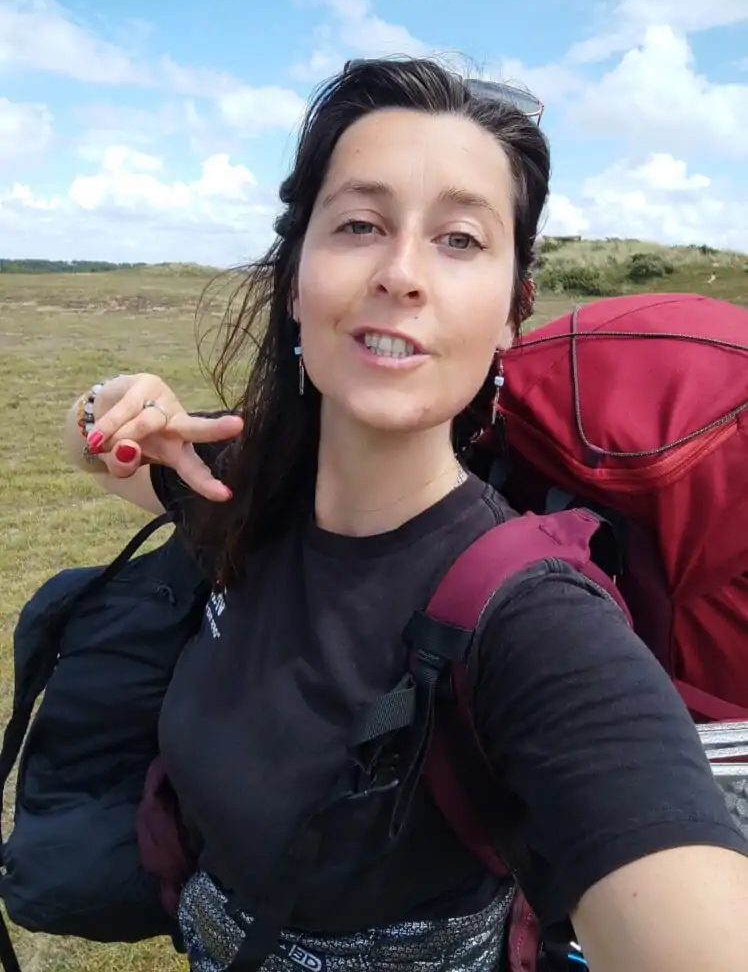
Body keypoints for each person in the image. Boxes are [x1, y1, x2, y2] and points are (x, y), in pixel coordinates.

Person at [63, 58, 748, 972]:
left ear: (512, 311)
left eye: (461, 239)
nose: (402, 273)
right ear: (297, 277)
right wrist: (108, 406)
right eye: (359, 224)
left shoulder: (536, 622)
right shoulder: (251, 491)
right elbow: (113, 464)